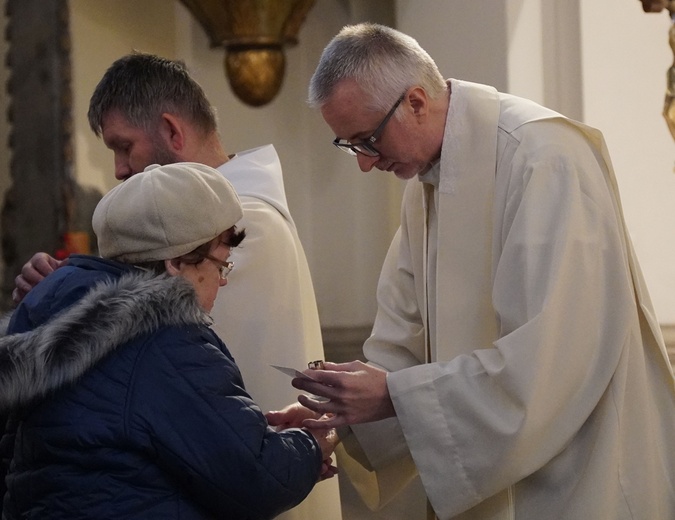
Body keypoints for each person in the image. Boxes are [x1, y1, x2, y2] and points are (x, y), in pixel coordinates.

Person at [268, 23, 675, 520]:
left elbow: (553, 360)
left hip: (579, 475)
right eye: (350, 146)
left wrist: (395, 396)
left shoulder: (545, 158)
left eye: (367, 140)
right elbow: (402, 342)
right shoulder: (425, 184)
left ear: (415, 101)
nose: (365, 165)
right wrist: (336, 417)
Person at [10, 53, 341, 520]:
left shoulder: (233, 223)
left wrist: (64, 298)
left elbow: (175, 398)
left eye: (124, 146)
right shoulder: (204, 232)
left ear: (171, 130)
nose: (120, 170)